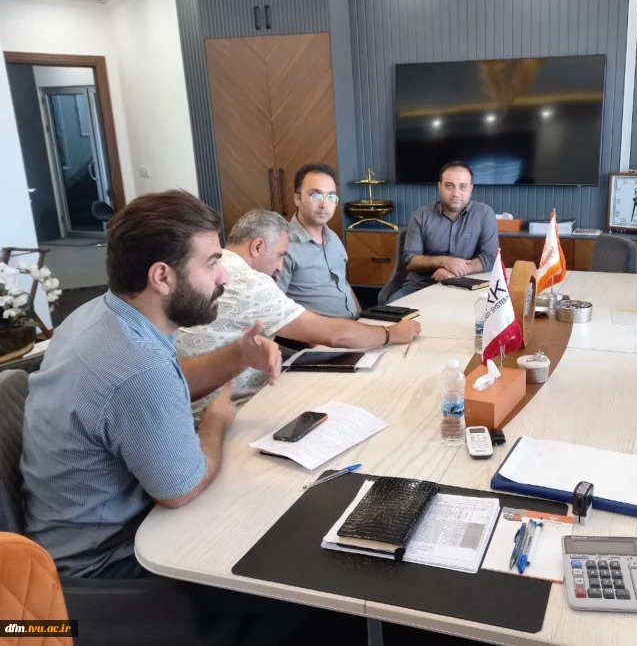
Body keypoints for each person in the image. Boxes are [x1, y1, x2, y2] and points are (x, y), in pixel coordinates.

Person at [20, 191, 281, 579]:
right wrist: (216, 422)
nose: (224, 276)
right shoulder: (136, 366)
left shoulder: (98, 315)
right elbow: (182, 489)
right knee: (268, 540)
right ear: (162, 277)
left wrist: (238, 356)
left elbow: (162, 385)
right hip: (104, 567)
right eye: (212, 263)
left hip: (65, 538)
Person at [177, 209, 420, 413]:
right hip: (231, 409)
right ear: (258, 246)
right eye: (281, 255)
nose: (281, 267)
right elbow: (335, 336)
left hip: (195, 401)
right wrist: (392, 333)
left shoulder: (215, 267)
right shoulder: (248, 281)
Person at [388, 160, 499, 302]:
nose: (456, 193)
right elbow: (411, 260)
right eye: (449, 186)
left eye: (463, 187)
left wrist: (455, 272)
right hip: (420, 287)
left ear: (471, 189)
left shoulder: (484, 214)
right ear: (440, 187)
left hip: (466, 287)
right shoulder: (420, 216)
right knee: (391, 307)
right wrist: (445, 261)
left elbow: (490, 258)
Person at [277, 163, 360, 319]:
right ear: (297, 199)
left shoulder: (333, 238)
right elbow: (274, 305)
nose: (324, 204)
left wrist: (363, 319)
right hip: (317, 333)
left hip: (352, 325)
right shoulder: (282, 245)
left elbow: (343, 284)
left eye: (331, 197)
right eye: (316, 195)